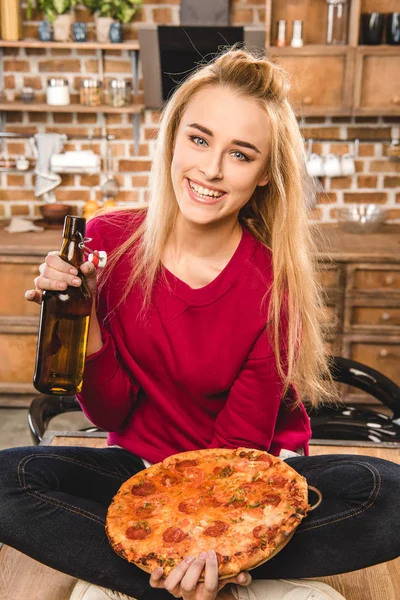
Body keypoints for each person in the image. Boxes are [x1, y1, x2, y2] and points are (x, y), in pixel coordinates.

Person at [0, 47, 399, 600]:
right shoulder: (106, 242)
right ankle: (221, 582)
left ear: (264, 175)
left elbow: (237, 446)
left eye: (241, 154)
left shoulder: (274, 286)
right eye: (199, 138)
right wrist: (80, 319)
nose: (211, 169)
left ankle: (169, 576)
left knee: (389, 492)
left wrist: (209, 539)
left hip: (246, 481)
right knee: (7, 482)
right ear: (172, 139)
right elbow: (110, 411)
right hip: (139, 473)